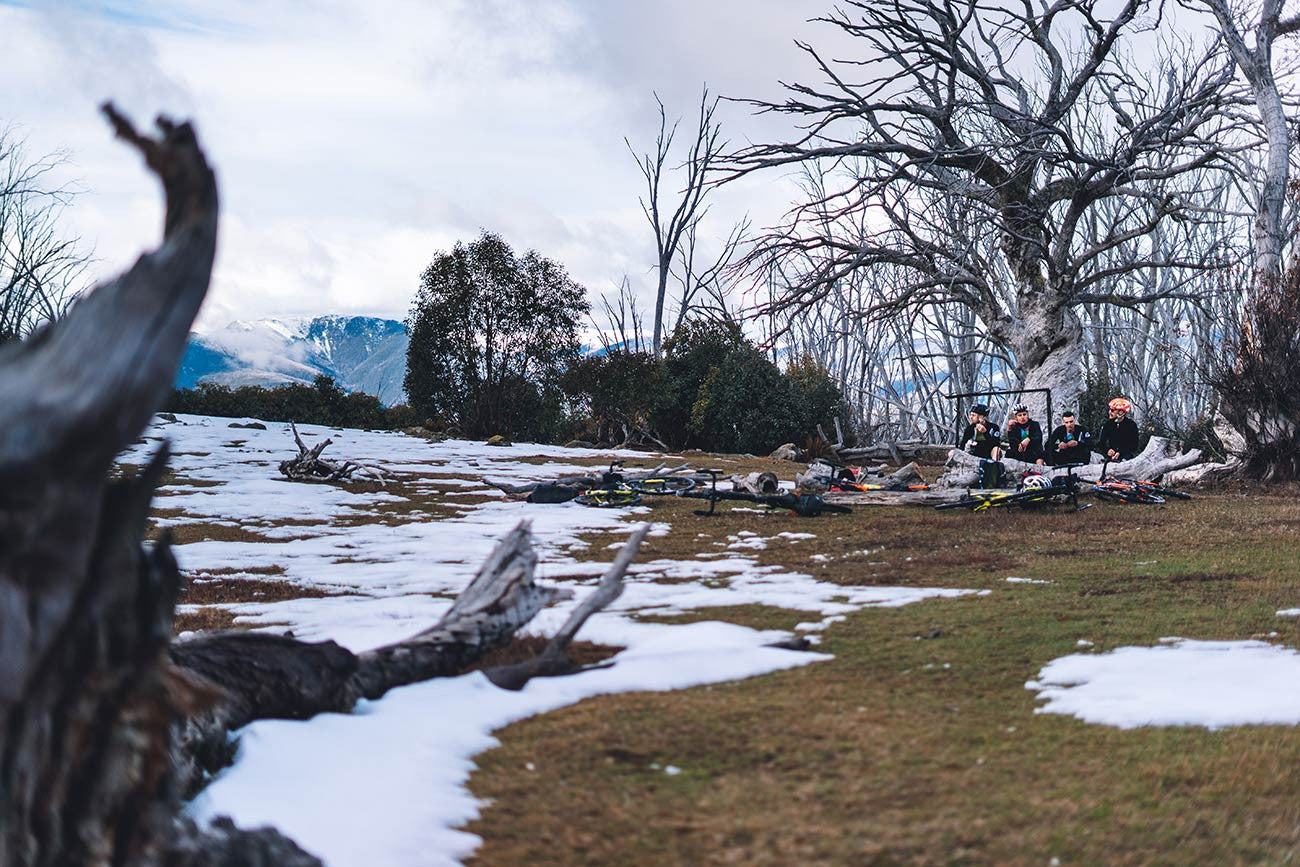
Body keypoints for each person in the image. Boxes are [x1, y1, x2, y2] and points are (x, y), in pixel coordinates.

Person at [1096, 397, 1140, 462]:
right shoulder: (1107, 424)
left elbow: (1134, 445)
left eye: (1112, 410)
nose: (1110, 412)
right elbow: (1101, 443)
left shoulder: (1131, 425)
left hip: (1126, 456)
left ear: (1121, 412)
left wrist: (1120, 452)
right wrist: (1108, 450)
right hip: (1110, 456)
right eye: (1110, 410)